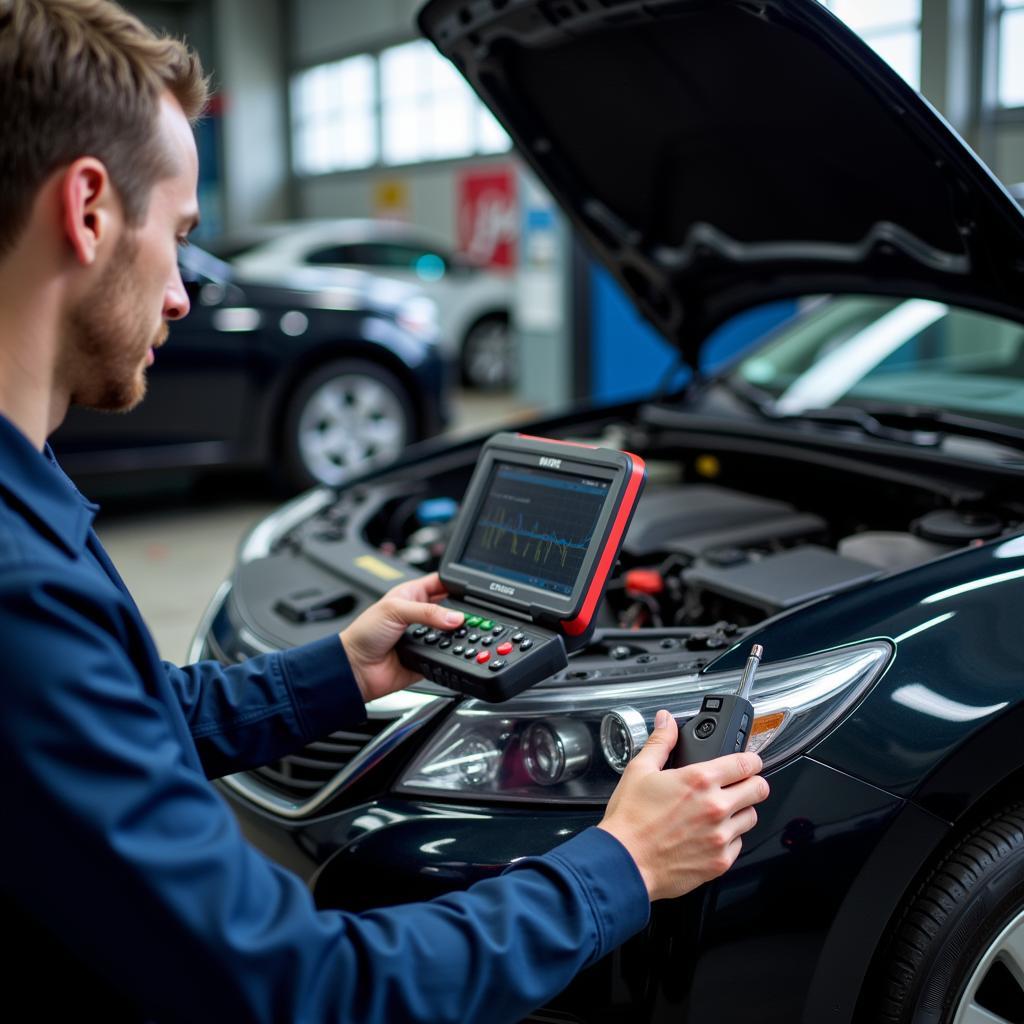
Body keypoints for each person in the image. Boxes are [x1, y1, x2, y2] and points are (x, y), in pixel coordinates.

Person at [0, 1, 770, 1021]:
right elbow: (299, 985)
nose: (185, 295)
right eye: (180, 237)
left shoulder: (28, 509)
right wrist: (618, 865)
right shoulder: (21, 592)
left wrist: (345, 670)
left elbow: (129, 717)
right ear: (89, 208)